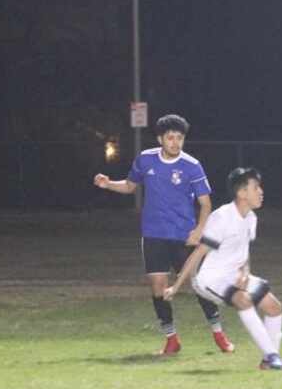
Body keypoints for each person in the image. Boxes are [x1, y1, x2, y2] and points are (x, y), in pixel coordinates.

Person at [93, 114, 234, 355]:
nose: (175, 143)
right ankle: (171, 339)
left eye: (180, 138)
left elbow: (206, 204)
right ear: (160, 139)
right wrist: (108, 184)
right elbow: (129, 186)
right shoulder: (146, 160)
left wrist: (199, 230)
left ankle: (219, 334)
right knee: (158, 287)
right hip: (153, 235)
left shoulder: (191, 165)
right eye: (170, 138)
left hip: (183, 236)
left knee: (199, 284)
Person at [163, 167, 282, 370]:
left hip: (234, 275)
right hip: (209, 278)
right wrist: (176, 286)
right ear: (241, 193)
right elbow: (198, 253)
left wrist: (245, 271)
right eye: (255, 187)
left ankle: (269, 361)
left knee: (274, 308)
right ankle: (271, 357)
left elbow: (244, 251)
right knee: (243, 300)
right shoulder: (222, 217)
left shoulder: (251, 218)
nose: (261, 191)